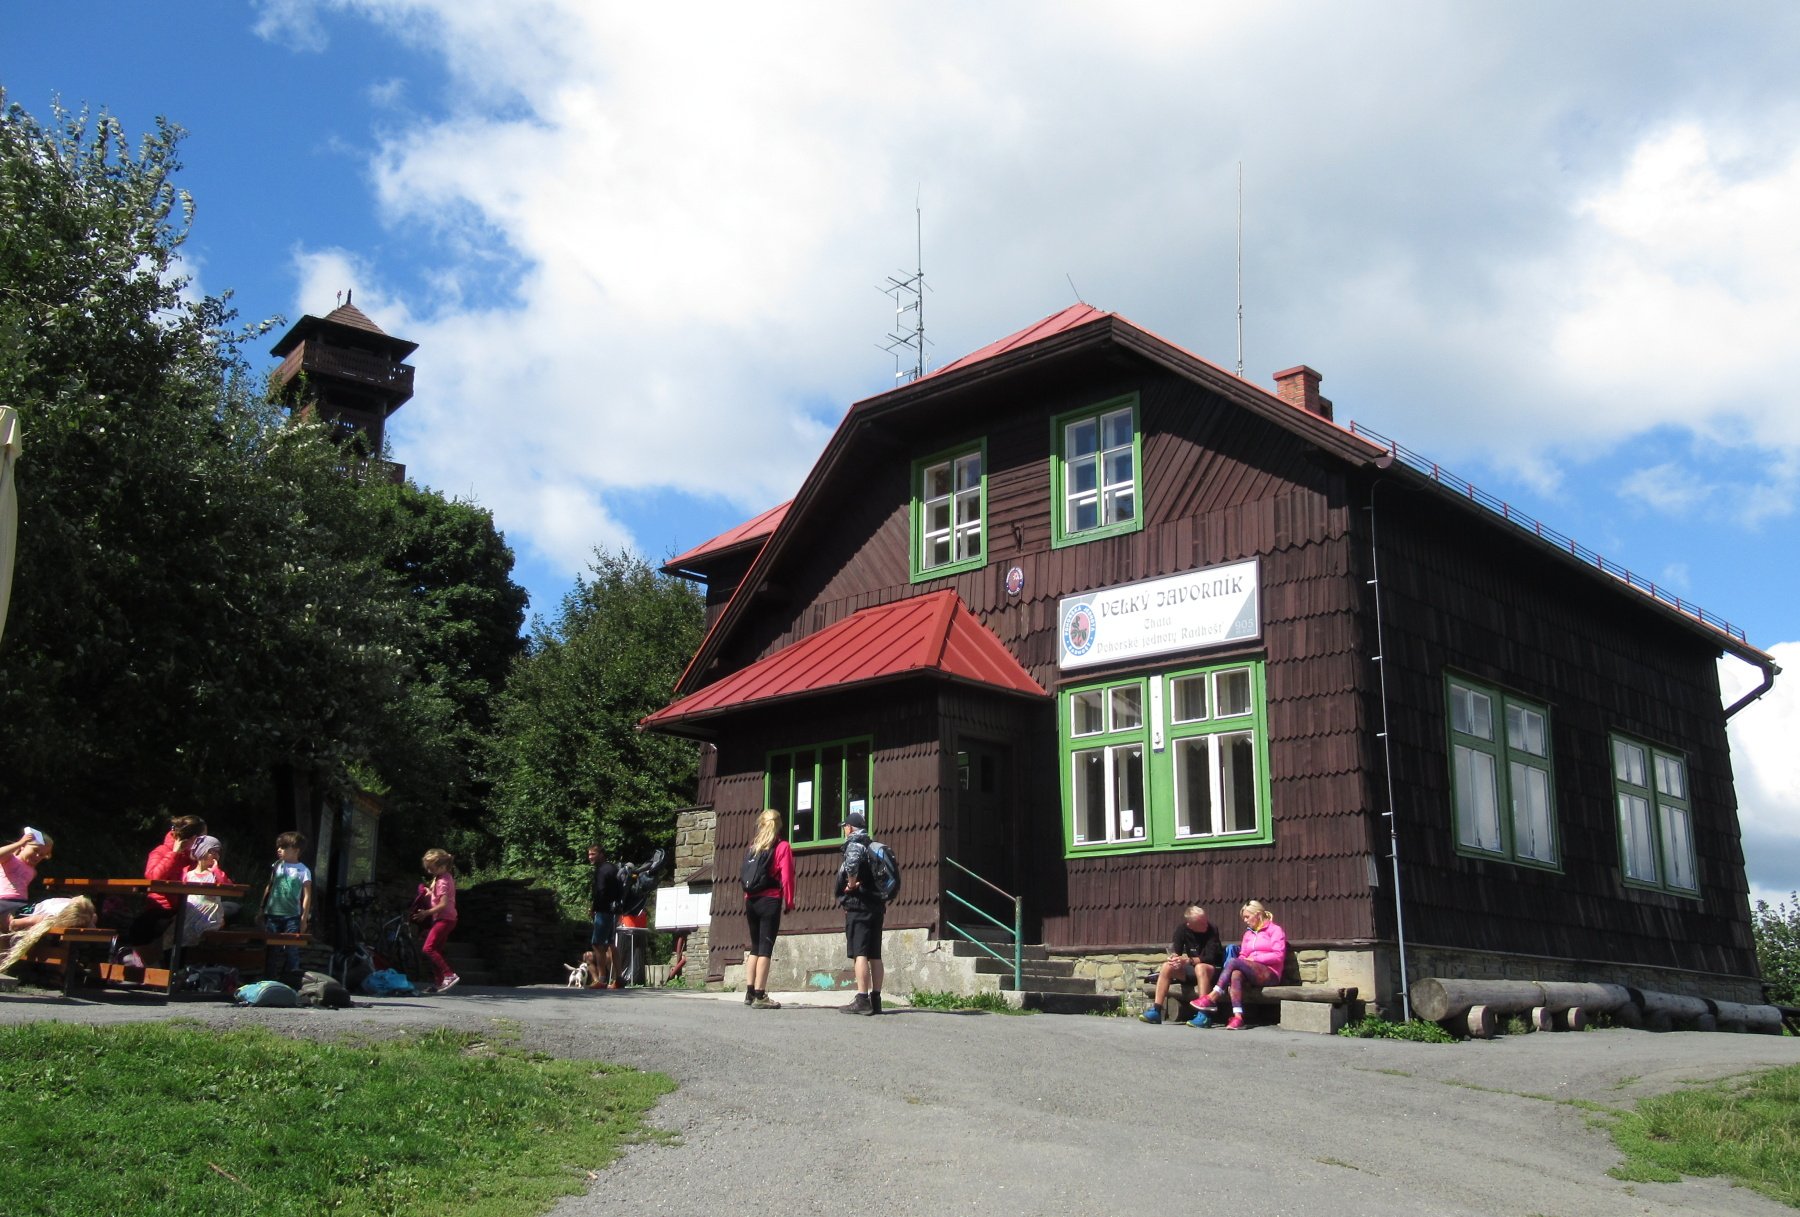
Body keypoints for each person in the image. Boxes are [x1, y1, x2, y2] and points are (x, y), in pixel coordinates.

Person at [120, 815, 207, 967]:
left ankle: (180, 970)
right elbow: (153, 877)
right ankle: (169, 970)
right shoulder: (160, 851)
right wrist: (174, 854)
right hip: (163, 908)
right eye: (203, 838)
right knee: (177, 924)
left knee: (229, 910)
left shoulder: (195, 858)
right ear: (194, 839)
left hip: (190, 907)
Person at [1195, 900, 1289, 1030]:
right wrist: (1244, 962)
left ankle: (1213, 996)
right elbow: (1243, 955)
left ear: (1258, 915)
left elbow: (1278, 955)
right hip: (1252, 973)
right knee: (1236, 973)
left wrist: (1255, 958)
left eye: (1247, 917)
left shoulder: (1275, 930)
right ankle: (1238, 1017)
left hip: (1270, 973)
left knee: (1233, 961)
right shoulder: (1248, 934)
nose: (1245, 920)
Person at [742, 808, 796, 1010]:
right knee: (765, 948)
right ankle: (760, 994)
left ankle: (749, 992)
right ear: (779, 824)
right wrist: (789, 901)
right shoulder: (782, 846)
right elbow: (787, 877)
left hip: (751, 900)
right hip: (770, 900)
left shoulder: (753, 847)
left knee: (755, 947)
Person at [834, 809, 885, 1016]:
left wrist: (851, 884)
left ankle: (862, 999)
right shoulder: (872, 845)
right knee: (875, 954)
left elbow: (852, 864)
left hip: (859, 905)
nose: (844, 830)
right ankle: (876, 999)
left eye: (845, 827)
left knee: (860, 953)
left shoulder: (855, 844)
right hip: (876, 905)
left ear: (850, 828)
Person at [1139, 904, 1224, 1025]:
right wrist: (1175, 959)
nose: (1206, 924)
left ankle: (1204, 1015)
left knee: (1200, 967)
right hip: (1193, 970)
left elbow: (1211, 957)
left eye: (1205, 920)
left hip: (1212, 970)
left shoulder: (1212, 929)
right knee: (1167, 966)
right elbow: (1176, 951)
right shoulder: (1182, 930)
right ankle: (1156, 1010)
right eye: (1201, 923)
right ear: (1190, 925)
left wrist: (1188, 961)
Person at [258, 831, 312, 979]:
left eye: (284, 847)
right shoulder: (277, 865)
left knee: (291, 949)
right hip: (273, 913)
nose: (279, 850)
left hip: (292, 916)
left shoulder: (303, 870)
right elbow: (269, 886)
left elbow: (307, 895)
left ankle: (292, 979)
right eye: (279, 847)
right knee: (272, 949)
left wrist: (303, 919)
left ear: (296, 850)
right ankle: (269, 979)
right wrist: (261, 909)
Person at [0, 895, 97, 976]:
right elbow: (14, 923)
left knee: (68, 937)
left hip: (53, 915)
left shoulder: (85, 913)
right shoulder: (48, 916)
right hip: (27, 914)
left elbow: (92, 920)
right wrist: (13, 924)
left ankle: (58, 972)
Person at [413, 848, 459, 993]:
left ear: (442, 866)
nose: (429, 871)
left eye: (432, 868)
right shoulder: (443, 877)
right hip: (447, 918)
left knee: (428, 948)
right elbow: (440, 897)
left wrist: (426, 913)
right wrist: (430, 893)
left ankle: (449, 975)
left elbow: (443, 904)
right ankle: (439, 982)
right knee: (436, 950)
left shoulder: (443, 881)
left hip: (444, 919)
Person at [171, 836, 231, 948]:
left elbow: (227, 887)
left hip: (210, 918)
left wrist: (216, 870)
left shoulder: (215, 875)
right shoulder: (187, 874)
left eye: (218, 852)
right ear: (202, 852)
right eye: (212, 851)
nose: (216, 855)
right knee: (178, 932)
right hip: (190, 916)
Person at [0, 828, 52, 932]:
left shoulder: (33, 871)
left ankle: (15, 925)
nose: (37, 856)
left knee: (33, 917)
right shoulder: (10, 859)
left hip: (21, 903)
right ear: (23, 847)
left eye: (42, 855)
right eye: (35, 850)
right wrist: (19, 843)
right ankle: (13, 924)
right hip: (4, 900)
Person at [586, 842, 621, 989]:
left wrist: (594, 907)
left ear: (601, 854)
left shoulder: (601, 870)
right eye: (589, 854)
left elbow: (600, 891)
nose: (590, 857)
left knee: (597, 943)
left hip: (604, 911)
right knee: (611, 945)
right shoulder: (613, 868)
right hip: (615, 910)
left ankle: (601, 979)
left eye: (593, 854)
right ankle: (619, 979)